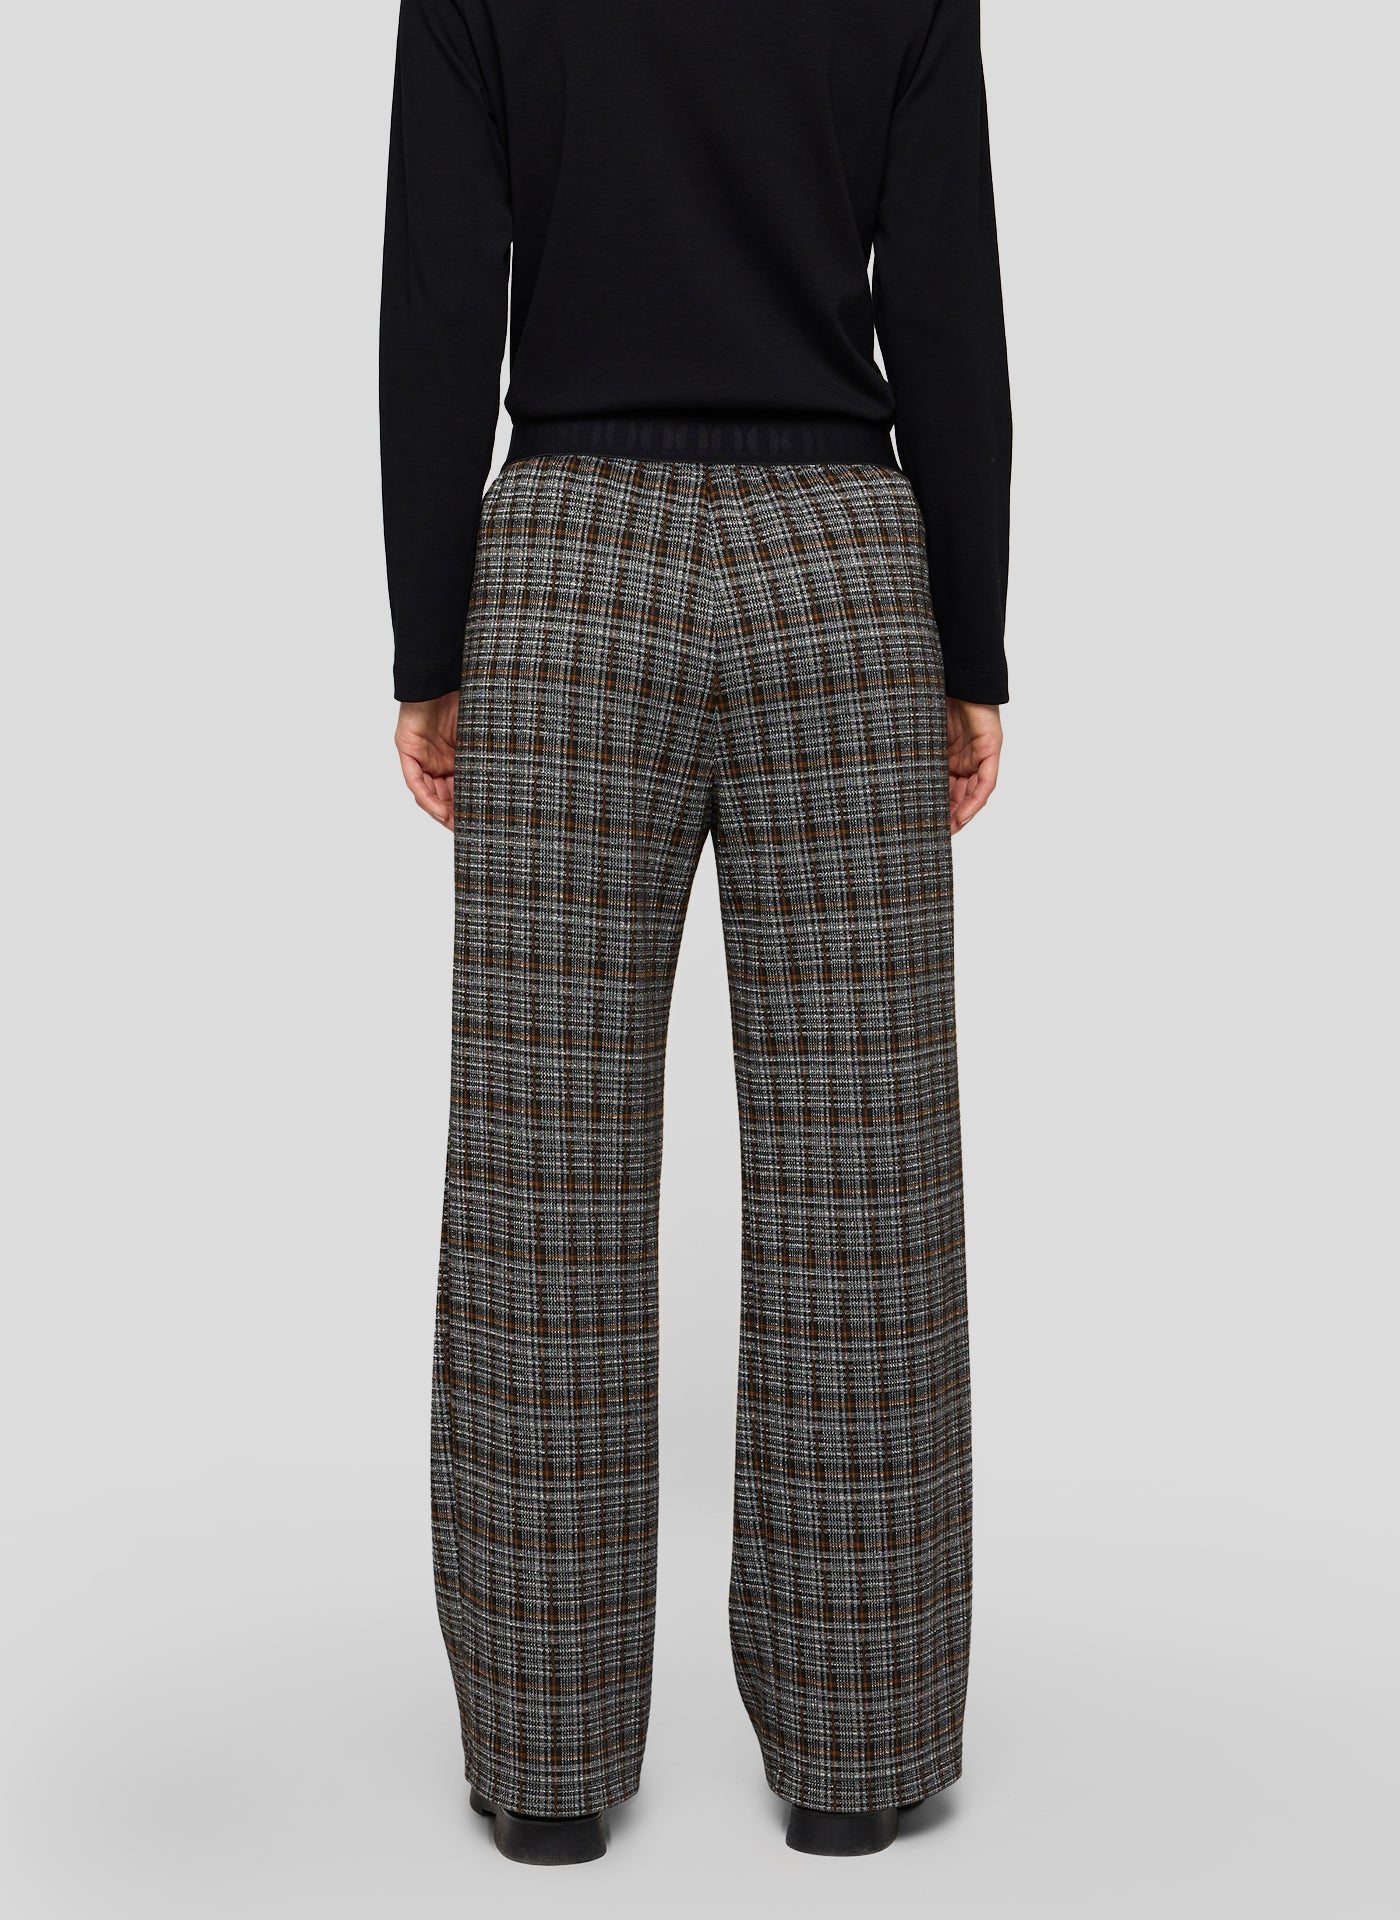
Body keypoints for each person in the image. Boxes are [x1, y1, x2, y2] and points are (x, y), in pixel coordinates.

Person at [380, 0, 1011, 1865]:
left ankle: (546, 1766)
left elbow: (440, 296)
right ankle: (859, 1757)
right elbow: (949, 298)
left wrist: (432, 638)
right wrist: (969, 638)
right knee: (863, 1177)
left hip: (568, 569)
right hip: (841, 572)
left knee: (543, 1176)